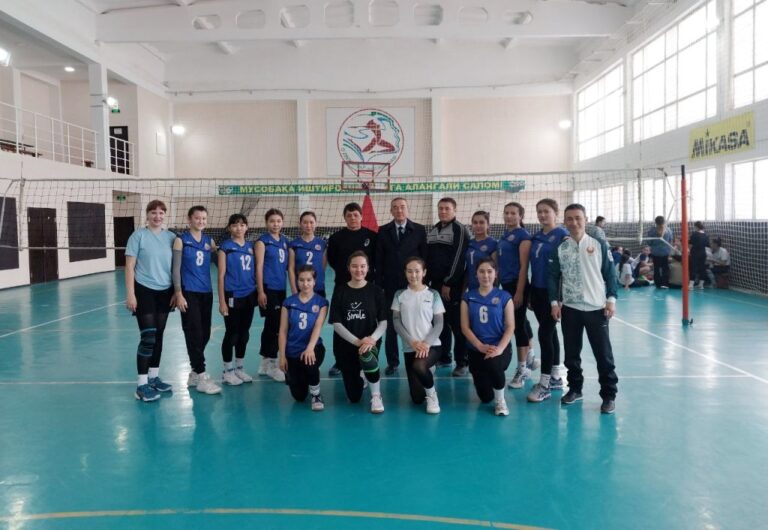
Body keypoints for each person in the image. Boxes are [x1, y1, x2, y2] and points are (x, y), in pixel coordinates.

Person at [548, 203, 619, 414]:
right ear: (564, 222)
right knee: (571, 354)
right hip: (570, 308)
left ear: (585, 220)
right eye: (569, 219)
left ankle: (608, 395)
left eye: (578, 218)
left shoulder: (599, 245)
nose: (574, 222)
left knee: (603, 355)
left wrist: (611, 299)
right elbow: (553, 277)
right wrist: (554, 303)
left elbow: (610, 273)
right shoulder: (561, 248)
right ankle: (575, 389)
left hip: (597, 309)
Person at [125, 200, 177, 402]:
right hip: (144, 290)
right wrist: (131, 294)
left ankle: (154, 378)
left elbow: (176, 267)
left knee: (159, 336)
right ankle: (141, 385)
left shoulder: (171, 237)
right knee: (148, 337)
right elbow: (129, 267)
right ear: (147, 215)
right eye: (153, 212)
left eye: (161, 213)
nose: (157, 216)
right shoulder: (138, 236)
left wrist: (176, 291)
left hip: (165, 291)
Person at [329, 251, 388, 413]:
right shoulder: (340, 291)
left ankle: (376, 395)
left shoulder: (376, 291)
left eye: (362, 266)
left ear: (368, 268)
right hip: (346, 344)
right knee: (354, 397)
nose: (359, 270)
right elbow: (336, 323)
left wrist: (371, 339)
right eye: (355, 266)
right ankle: (361, 375)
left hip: (369, 343)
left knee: (367, 357)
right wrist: (357, 341)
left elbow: (383, 322)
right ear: (349, 268)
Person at [375, 197, 428, 376]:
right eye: (395, 207)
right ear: (391, 211)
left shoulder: (419, 230)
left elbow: (424, 257)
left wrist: (423, 283)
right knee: (391, 326)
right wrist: (379, 285)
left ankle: (420, 355)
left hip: (413, 286)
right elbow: (379, 260)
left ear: (408, 209)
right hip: (390, 287)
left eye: (402, 207)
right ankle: (393, 362)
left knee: (416, 322)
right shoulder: (383, 231)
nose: (399, 210)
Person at [172, 205, 221, 395]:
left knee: (205, 334)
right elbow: (176, 269)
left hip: (206, 292)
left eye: (203, 218)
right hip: (188, 291)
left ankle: (194, 372)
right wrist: (178, 293)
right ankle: (201, 375)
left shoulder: (210, 241)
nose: (201, 221)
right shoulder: (181, 240)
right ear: (189, 219)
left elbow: (220, 262)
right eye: (197, 218)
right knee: (193, 333)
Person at [326, 202, 378, 377]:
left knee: (365, 321)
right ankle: (340, 361)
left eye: (356, 215)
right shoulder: (336, 238)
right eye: (349, 215)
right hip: (343, 287)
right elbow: (332, 260)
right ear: (344, 218)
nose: (353, 218)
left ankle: (367, 355)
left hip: (366, 288)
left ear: (361, 216)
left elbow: (375, 260)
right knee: (340, 323)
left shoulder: (372, 236)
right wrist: (347, 275)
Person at [527, 198, 569, 404]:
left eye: (546, 211)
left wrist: (559, 298)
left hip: (553, 294)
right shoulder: (536, 236)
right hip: (537, 290)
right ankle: (555, 377)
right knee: (550, 333)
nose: (542, 215)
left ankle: (544, 385)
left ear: (555, 212)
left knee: (544, 333)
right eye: (539, 211)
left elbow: (565, 270)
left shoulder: (562, 235)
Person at [460, 258, 515, 416]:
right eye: (482, 272)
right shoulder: (468, 297)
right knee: (485, 397)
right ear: (476, 274)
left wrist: (500, 349)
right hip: (476, 349)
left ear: (496, 274)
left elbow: (510, 326)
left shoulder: (504, 297)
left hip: (498, 347)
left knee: (493, 363)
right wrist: (479, 346)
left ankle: (500, 401)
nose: (486, 275)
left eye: (489, 271)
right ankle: (490, 384)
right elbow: (465, 327)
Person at [391, 257, 445, 414]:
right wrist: (412, 342)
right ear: (405, 273)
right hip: (411, 347)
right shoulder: (399, 294)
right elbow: (396, 322)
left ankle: (432, 395)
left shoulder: (433, 294)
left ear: (424, 272)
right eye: (409, 271)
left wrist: (426, 343)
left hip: (431, 346)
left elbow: (439, 323)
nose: (413, 275)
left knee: (419, 366)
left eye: (417, 271)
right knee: (417, 398)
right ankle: (427, 373)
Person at [426, 197, 470, 376]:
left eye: (447, 208)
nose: (443, 211)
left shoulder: (459, 229)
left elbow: (459, 259)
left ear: (454, 210)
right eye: (440, 208)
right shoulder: (434, 229)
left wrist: (448, 282)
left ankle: (462, 362)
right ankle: (444, 357)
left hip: (453, 285)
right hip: (435, 285)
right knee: (440, 322)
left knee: (457, 325)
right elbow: (429, 258)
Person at [497, 201, 538, 389]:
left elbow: (523, 267)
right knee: (522, 321)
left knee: (517, 325)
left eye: (513, 213)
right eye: (506, 213)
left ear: (521, 216)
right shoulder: (505, 235)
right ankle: (530, 355)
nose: (509, 216)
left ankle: (522, 369)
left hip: (516, 284)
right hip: (506, 285)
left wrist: (520, 292)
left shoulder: (523, 236)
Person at [278, 265, 328, 411]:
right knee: (299, 396)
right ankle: (304, 375)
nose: (305, 284)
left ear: (314, 281)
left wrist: (310, 348)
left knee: (309, 361)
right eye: (301, 280)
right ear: (297, 281)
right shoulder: (288, 303)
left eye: (308, 280)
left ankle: (316, 395)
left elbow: (317, 327)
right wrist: (282, 356)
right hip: (293, 351)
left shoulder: (321, 303)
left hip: (313, 347)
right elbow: (283, 331)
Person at [217, 213, 257, 386]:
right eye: (234, 225)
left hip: (250, 294)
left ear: (246, 227)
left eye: (242, 225)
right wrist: (222, 301)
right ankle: (228, 371)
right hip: (233, 294)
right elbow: (221, 276)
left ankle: (239, 368)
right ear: (229, 228)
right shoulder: (225, 247)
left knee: (244, 333)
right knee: (232, 333)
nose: (238, 228)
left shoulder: (251, 247)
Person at [255, 208, 289, 382]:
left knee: (273, 325)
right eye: (272, 221)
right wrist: (261, 291)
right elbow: (259, 267)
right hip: (269, 288)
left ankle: (265, 362)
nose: (275, 224)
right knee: (274, 325)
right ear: (266, 223)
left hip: (281, 288)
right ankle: (272, 363)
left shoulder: (284, 241)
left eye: (278, 221)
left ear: (282, 222)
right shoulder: (263, 242)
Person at [288, 211, 327, 297]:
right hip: (301, 287)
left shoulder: (322, 244)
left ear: (316, 224)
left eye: (311, 222)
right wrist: (294, 290)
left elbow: (322, 267)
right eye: (305, 222)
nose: (308, 225)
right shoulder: (293, 244)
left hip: (318, 287)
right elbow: (291, 269)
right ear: (300, 224)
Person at [465, 210, 498, 291]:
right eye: (475, 223)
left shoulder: (493, 243)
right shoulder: (469, 243)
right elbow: (467, 268)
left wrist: (493, 290)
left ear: (488, 225)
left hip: (486, 288)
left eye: (481, 222)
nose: (478, 225)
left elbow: (496, 270)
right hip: (471, 287)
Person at [645, 215, 674, 289]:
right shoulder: (668, 230)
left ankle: (658, 284)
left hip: (656, 252)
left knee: (656, 268)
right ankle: (665, 283)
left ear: (656, 222)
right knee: (665, 268)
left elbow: (649, 242)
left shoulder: (652, 231)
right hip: (665, 252)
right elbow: (670, 241)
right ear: (664, 222)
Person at [689, 221, 709, 290]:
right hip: (703, 253)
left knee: (693, 268)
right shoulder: (705, 235)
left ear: (696, 227)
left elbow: (690, 244)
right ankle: (701, 285)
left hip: (695, 253)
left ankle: (691, 285)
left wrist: (689, 251)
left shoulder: (694, 234)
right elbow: (707, 244)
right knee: (702, 268)